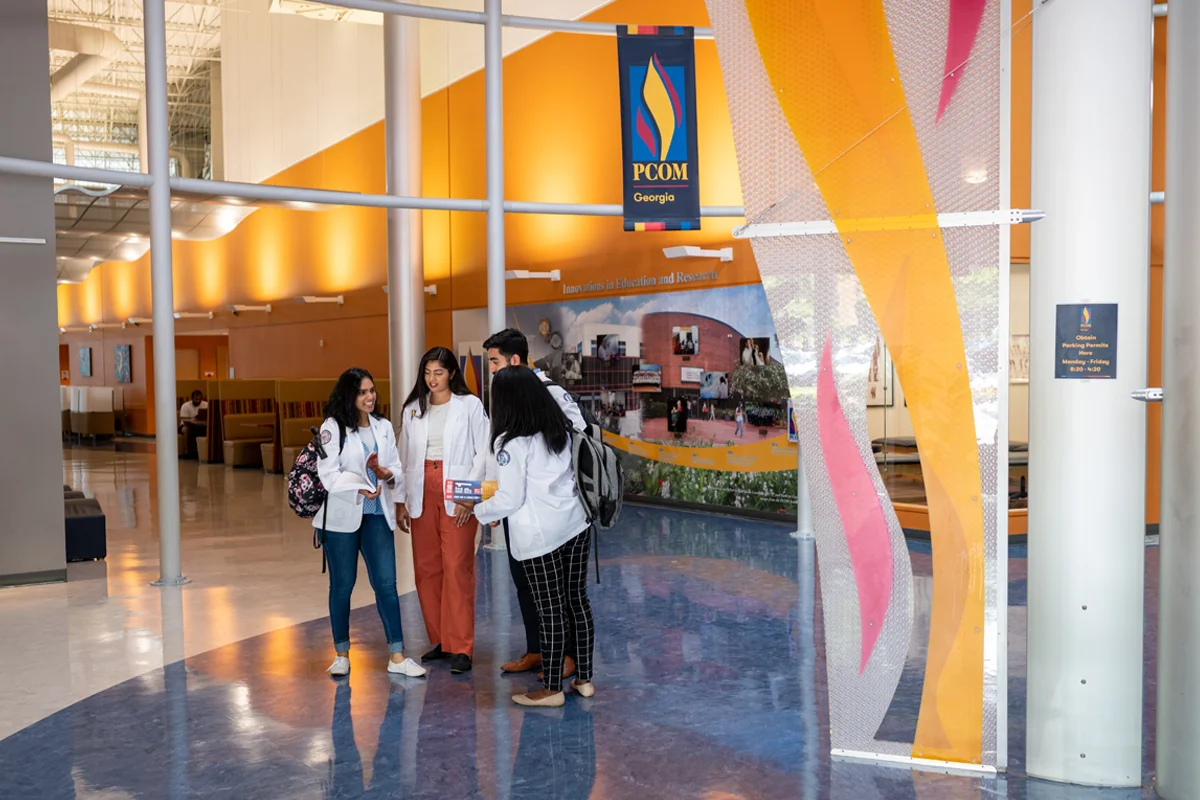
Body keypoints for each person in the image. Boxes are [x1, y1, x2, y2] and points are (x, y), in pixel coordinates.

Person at [474, 366, 595, 707]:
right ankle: (584, 679)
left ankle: (551, 689)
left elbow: (510, 499)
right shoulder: (559, 430)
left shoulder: (511, 442)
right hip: (576, 524)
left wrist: (478, 511)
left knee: (549, 608)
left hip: (541, 536)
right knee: (576, 600)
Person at [315, 367, 426, 679]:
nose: (370, 397)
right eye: (362, 392)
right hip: (342, 519)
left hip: (377, 513)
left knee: (386, 584)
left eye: (372, 391)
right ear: (349, 395)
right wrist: (358, 487)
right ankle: (341, 654)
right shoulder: (332, 427)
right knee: (342, 585)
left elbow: (396, 468)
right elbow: (328, 474)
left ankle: (397, 655)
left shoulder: (383, 426)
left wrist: (388, 475)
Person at [397, 347, 489, 675]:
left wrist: (469, 499)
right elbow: (403, 456)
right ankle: (441, 640)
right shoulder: (413, 408)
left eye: (438, 372)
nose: (432, 379)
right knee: (426, 568)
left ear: (451, 373)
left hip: (458, 488)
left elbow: (484, 453)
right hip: (421, 486)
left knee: (457, 567)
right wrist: (400, 500)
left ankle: (461, 645)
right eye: (427, 373)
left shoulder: (470, 405)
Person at [178, 389, 208, 458]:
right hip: (186, 425)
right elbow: (185, 420)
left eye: (199, 399)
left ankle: (202, 452)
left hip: (201, 425)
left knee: (207, 429)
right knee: (187, 429)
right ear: (192, 398)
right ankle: (187, 452)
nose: (198, 401)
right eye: (196, 399)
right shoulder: (185, 406)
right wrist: (194, 420)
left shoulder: (206, 405)